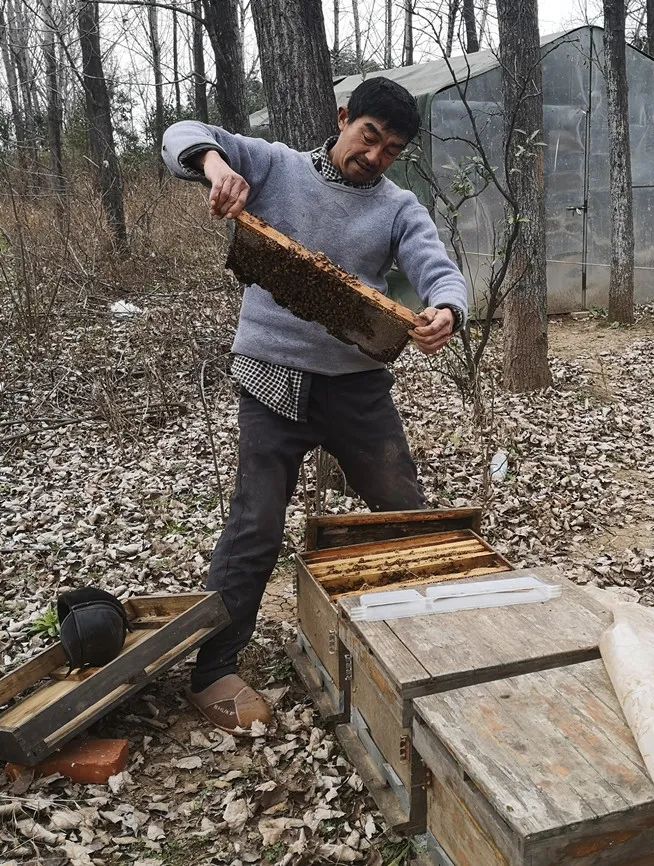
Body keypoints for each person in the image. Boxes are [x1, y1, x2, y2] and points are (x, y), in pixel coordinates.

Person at [161, 77, 468, 733]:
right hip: (272, 382)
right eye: (369, 137)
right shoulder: (273, 165)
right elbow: (183, 135)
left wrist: (447, 309)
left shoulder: (398, 206)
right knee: (255, 525)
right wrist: (218, 170)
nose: (376, 156)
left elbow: (436, 265)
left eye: (392, 149)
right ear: (342, 119)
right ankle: (213, 671)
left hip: (356, 389)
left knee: (406, 511)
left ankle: (431, 638)